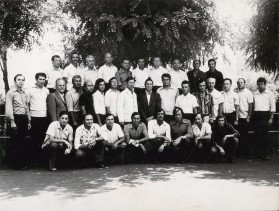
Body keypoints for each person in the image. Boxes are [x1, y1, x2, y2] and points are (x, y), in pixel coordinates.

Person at [5, 74, 31, 170]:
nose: (21, 81)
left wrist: (29, 120)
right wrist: (12, 121)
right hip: (16, 118)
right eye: (19, 80)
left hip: (23, 118)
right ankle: (16, 164)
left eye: (23, 80)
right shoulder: (11, 93)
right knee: (16, 142)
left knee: (23, 141)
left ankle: (22, 163)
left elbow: (26, 107)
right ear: (15, 81)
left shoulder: (24, 92)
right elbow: (9, 108)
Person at [26, 72, 49, 163]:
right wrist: (29, 119)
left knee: (43, 138)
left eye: (44, 79)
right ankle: (33, 160)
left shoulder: (46, 90)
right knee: (34, 139)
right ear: (36, 80)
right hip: (34, 117)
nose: (42, 81)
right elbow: (27, 105)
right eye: (40, 79)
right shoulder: (30, 90)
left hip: (44, 117)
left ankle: (41, 160)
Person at [252, 77, 276, 160]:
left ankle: (266, 154)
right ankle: (258, 154)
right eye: (258, 84)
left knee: (265, 135)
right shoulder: (255, 94)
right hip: (256, 115)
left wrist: (271, 118)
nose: (260, 86)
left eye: (261, 84)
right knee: (257, 135)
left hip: (265, 115)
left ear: (265, 84)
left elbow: (273, 107)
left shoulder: (270, 94)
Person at [235, 78, 253, 155]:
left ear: (244, 83)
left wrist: (248, 117)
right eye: (238, 83)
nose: (240, 84)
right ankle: (238, 152)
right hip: (236, 117)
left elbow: (251, 105)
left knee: (244, 135)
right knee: (237, 134)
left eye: (241, 82)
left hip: (244, 116)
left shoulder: (248, 93)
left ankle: (244, 153)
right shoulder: (235, 92)